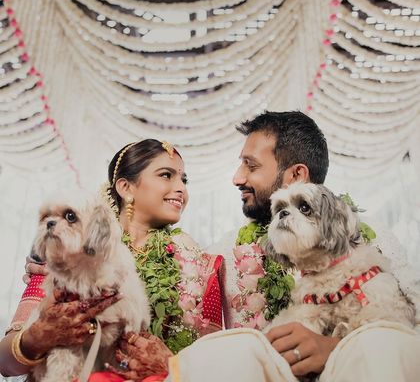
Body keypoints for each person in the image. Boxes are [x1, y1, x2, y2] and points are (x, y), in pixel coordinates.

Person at [102, 111, 420, 381]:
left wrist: (334, 349)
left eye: (250, 166)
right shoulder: (223, 253)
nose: (237, 178)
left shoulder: (372, 239)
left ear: (297, 175)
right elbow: (208, 345)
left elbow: (408, 334)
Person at [0, 139, 223, 380]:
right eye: (166, 175)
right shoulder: (65, 251)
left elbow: (213, 366)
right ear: (125, 187)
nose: (181, 188)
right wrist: (39, 336)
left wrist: (170, 365)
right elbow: (5, 364)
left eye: (184, 180)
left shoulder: (201, 267)